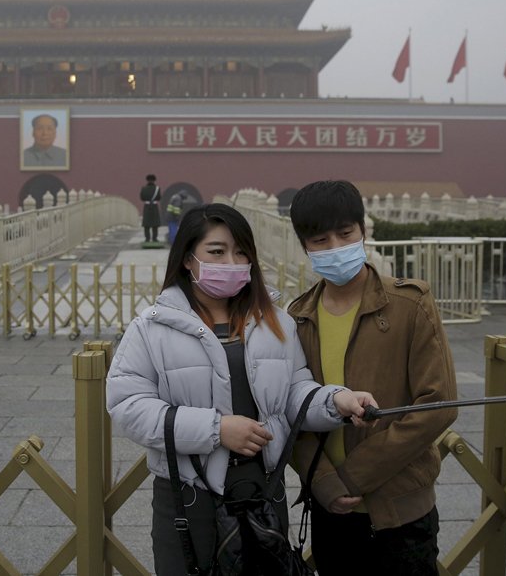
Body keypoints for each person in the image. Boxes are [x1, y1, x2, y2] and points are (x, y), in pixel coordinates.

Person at [106, 203, 376, 575]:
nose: (231, 262)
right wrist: (216, 430)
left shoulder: (274, 322)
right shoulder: (151, 329)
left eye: (241, 252)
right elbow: (128, 407)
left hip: (263, 492)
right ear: (188, 258)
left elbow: (294, 392)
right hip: (189, 501)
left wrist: (335, 400)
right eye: (216, 252)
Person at [287, 180, 458, 576]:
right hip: (331, 510)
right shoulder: (298, 318)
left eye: (344, 234)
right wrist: (323, 481)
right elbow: (288, 407)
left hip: (401, 511)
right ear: (305, 246)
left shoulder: (409, 305)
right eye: (320, 240)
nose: (334, 248)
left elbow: (438, 404)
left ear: (363, 230)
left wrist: (351, 477)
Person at [140, 174, 162, 243]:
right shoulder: (157, 188)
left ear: (147, 180)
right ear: (154, 180)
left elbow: (142, 198)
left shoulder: (143, 188)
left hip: (147, 207)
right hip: (154, 207)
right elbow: (159, 198)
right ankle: (155, 238)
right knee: (155, 224)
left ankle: (147, 239)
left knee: (147, 224)